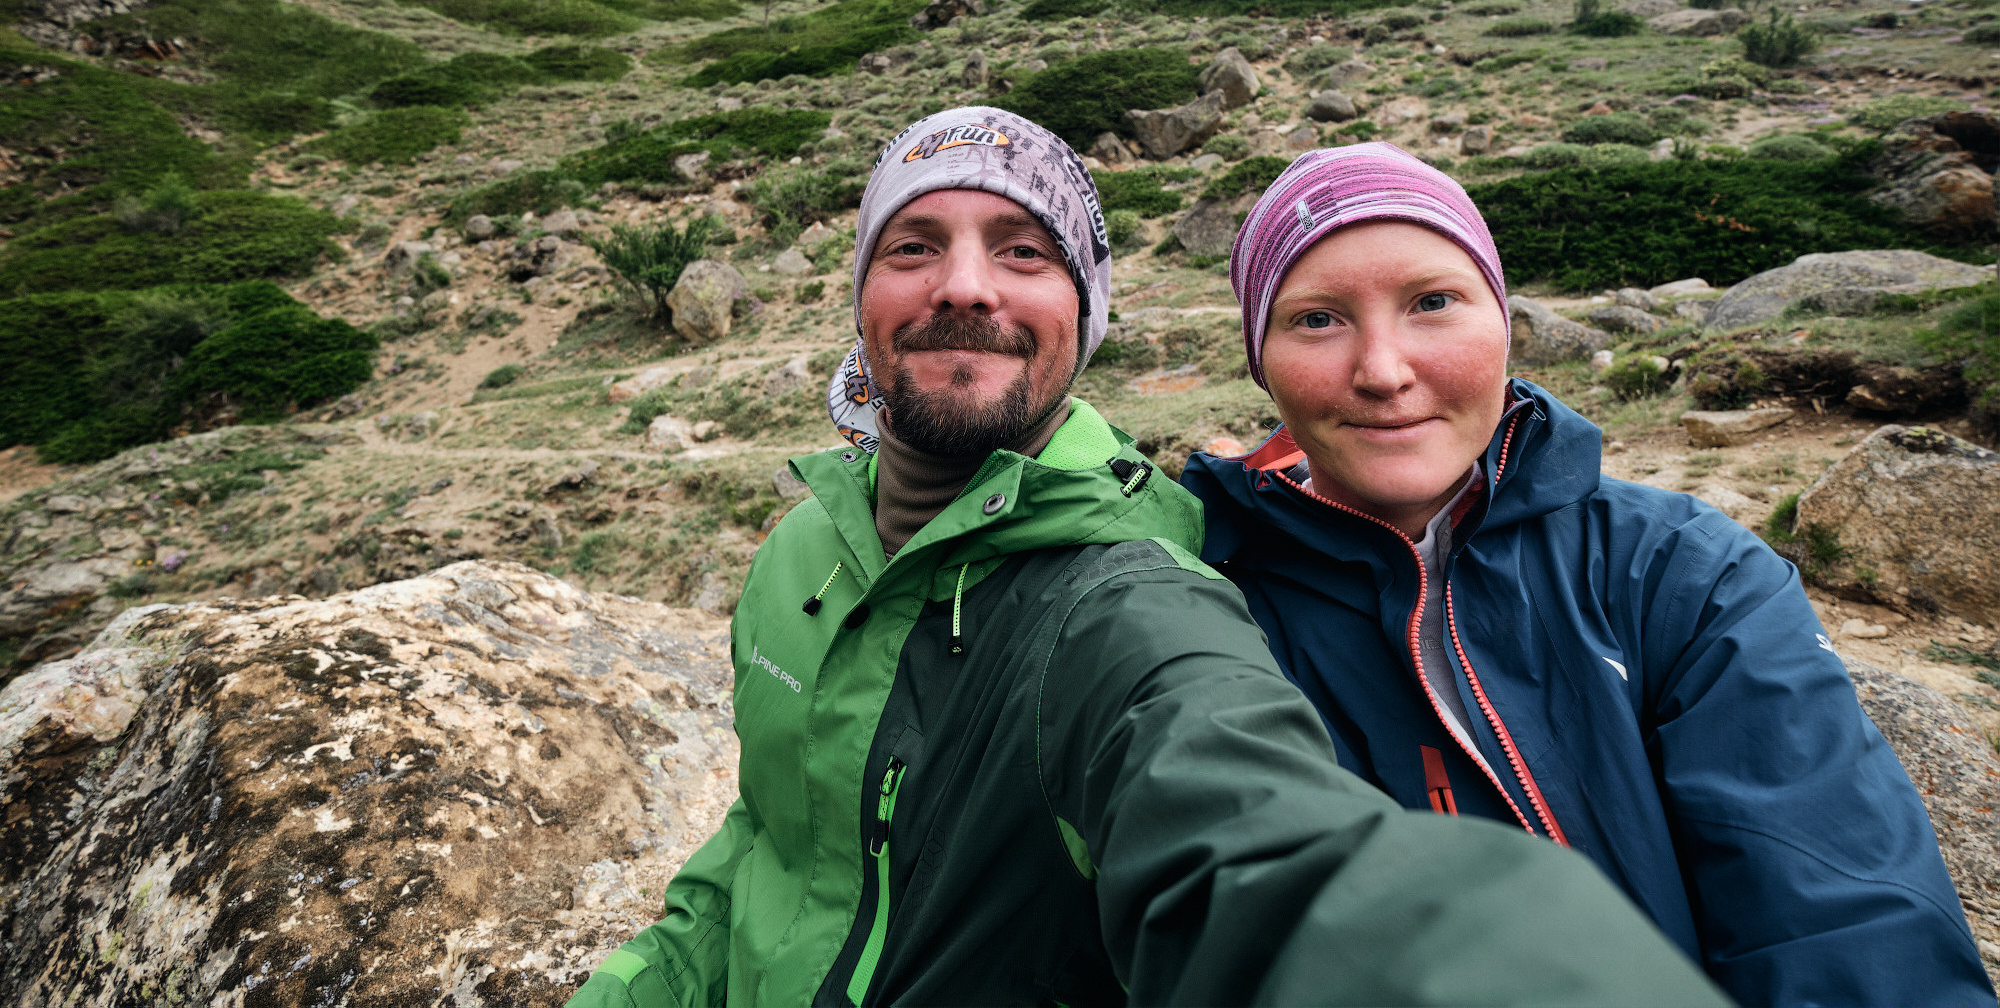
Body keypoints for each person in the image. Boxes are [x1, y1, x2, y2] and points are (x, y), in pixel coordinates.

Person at [568, 110, 1726, 1007]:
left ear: (1088, 315)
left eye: (1022, 250)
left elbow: (1248, 843)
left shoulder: (1120, 591)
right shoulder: (802, 548)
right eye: (913, 243)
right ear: (863, 298)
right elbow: (764, 852)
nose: (963, 283)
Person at [1179, 141, 1994, 1008]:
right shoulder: (1200, 603)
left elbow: (1848, 924)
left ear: (1503, 320)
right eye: (1316, 319)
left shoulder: (1688, 573)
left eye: (1433, 302)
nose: (1383, 371)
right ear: (1258, 356)